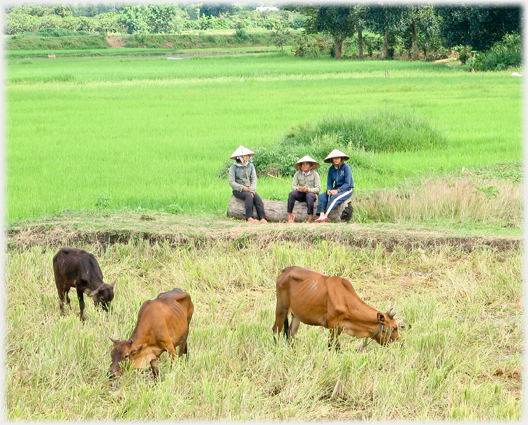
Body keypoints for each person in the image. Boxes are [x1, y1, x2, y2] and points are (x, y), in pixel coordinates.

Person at [228, 145, 268, 223]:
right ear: (239, 156)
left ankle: (262, 218)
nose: (247, 156)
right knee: (248, 196)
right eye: (245, 155)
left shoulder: (250, 166)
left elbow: (254, 179)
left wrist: (252, 191)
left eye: (248, 155)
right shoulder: (233, 167)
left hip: (249, 189)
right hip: (238, 190)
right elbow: (231, 182)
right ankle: (249, 218)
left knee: (258, 199)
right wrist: (243, 188)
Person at [315, 149, 354, 223]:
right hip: (336, 188)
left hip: (347, 189)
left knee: (334, 198)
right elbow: (330, 183)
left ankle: (325, 216)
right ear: (331, 159)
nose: (336, 160)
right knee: (322, 196)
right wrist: (329, 190)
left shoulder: (346, 167)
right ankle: (321, 214)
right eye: (334, 158)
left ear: (341, 159)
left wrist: (337, 191)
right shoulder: (331, 169)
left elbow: (347, 183)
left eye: (338, 158)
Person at [287, 155, 321, 223]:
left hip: (311, 194)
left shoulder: (315, 174)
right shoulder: (297, 173)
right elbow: (293, 186)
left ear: (311, 166)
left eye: (307, 164)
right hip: (301, 194)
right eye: (303, 164)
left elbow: (318, 188)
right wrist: (298, 188)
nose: (304, 166)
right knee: (292, 194)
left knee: (309, 195)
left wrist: (308, 190)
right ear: (300, 166)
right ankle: (289, 215)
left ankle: (310, 217)